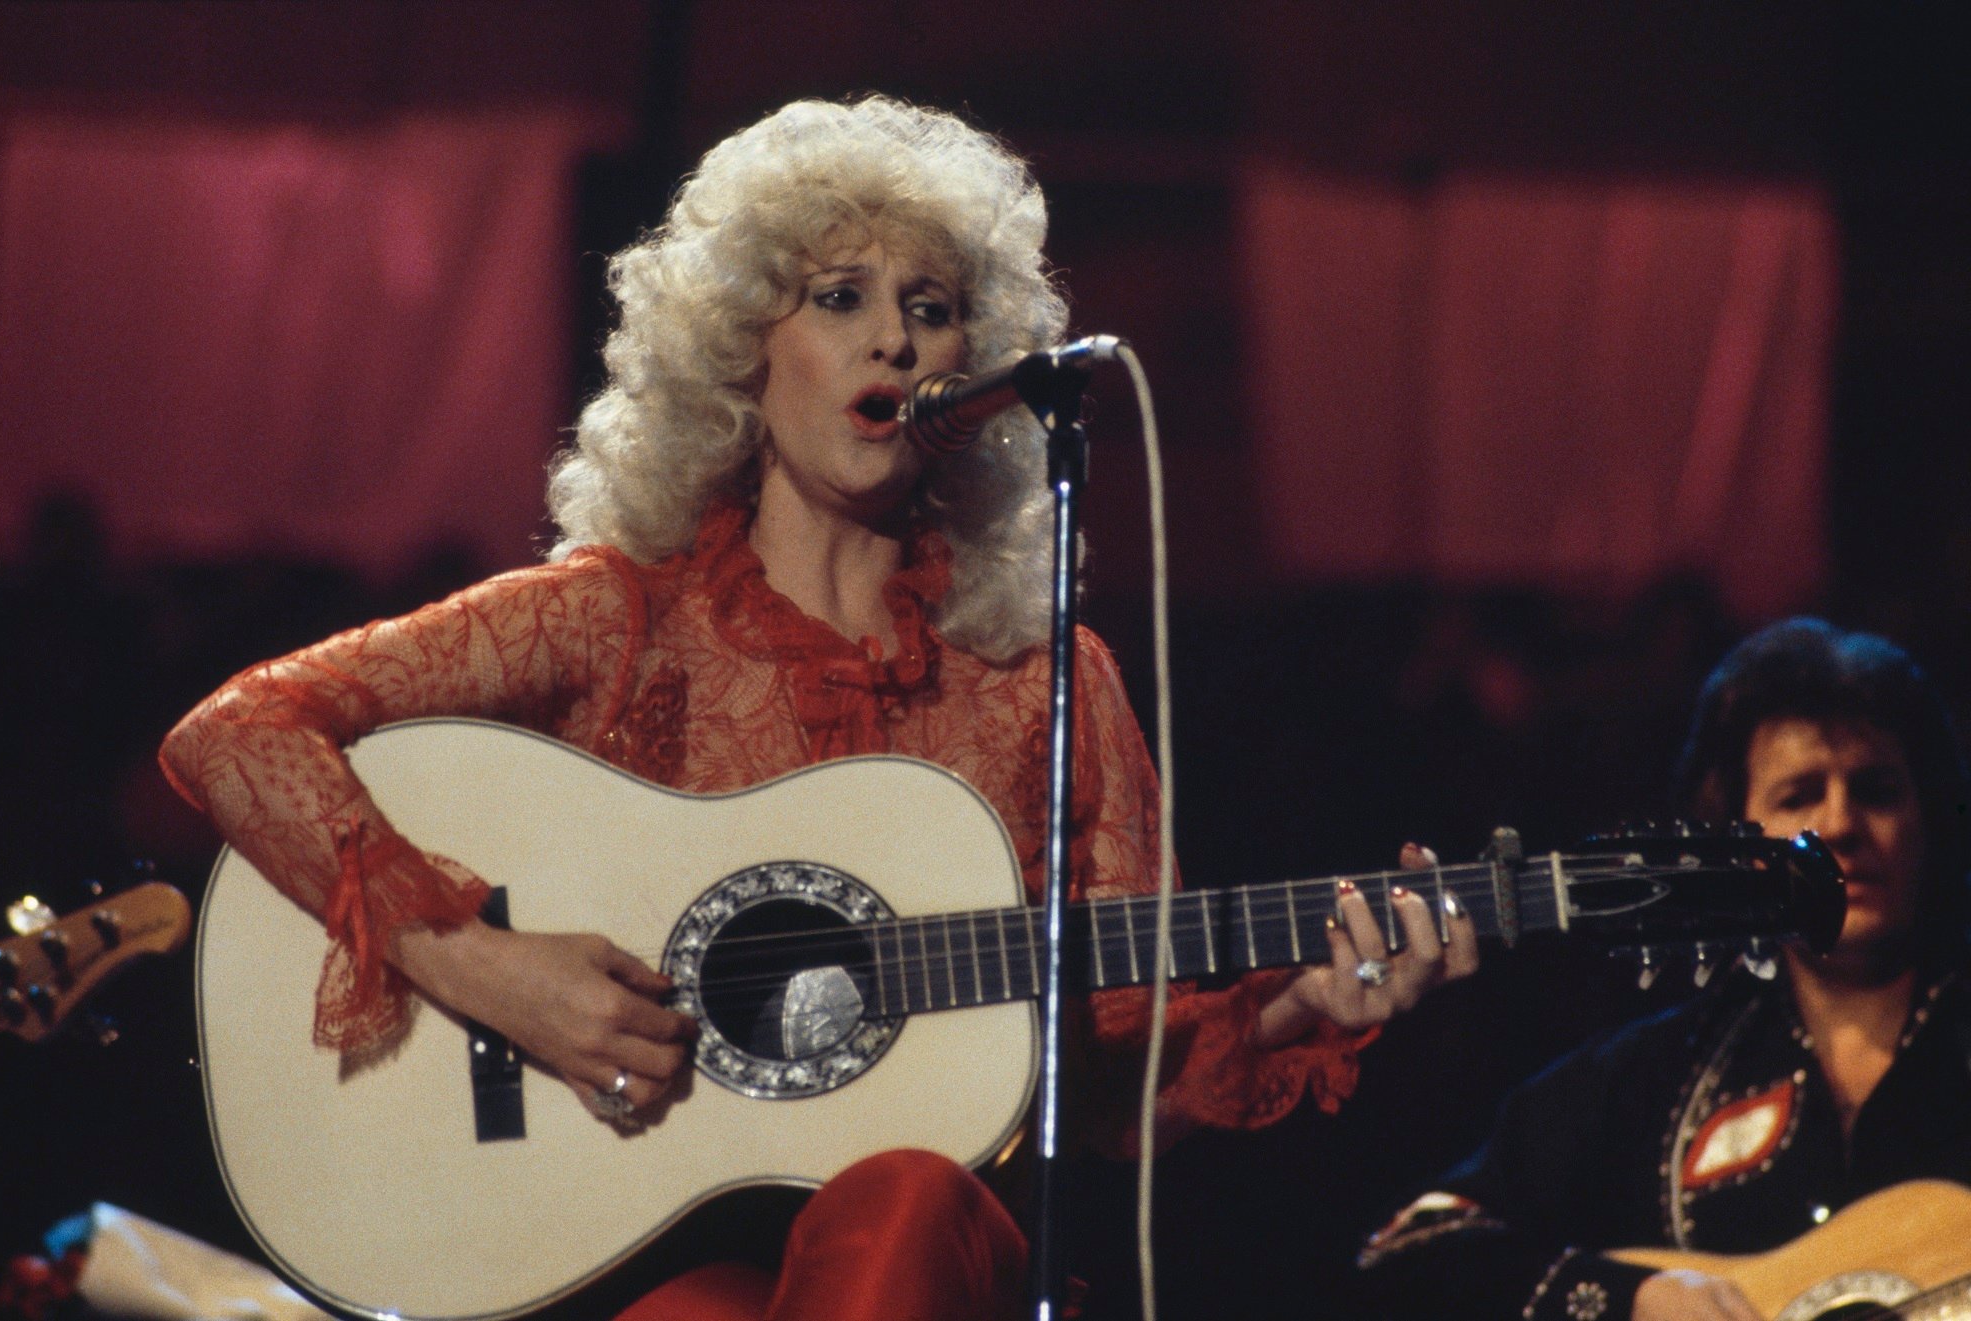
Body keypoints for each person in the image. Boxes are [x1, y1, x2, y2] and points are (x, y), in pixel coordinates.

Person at [160, 96, 1475, 1321]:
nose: (893, 339)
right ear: (744, 346)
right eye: (838, 297)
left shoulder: (1043, 681)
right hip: (657, 1245)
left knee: (897, 1195)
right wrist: (487, 969)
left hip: (936, 1258)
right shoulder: (617, 616)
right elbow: (230, 732)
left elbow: (1112, 1095)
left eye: (933, 305)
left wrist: (1298, 1007)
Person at [1356, 617, 1971, 1321]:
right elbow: (1403, 1252)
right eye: (1798, 795)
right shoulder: (1655, 1078)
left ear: (1930, 821)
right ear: (1739, 844)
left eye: (1877, 789)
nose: (1839, 823)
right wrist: (1630, 1296)